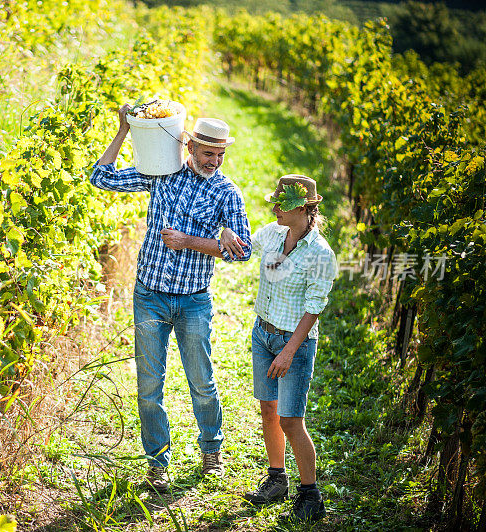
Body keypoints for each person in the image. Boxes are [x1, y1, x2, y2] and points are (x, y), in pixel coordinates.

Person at [89, 103, 252, 492]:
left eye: (220, 154)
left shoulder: (227, 193)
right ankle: (157, 463)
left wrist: (203, 242)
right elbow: (101, 177)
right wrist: (124, 130)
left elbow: (243, 252)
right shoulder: (162, 174)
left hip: (194, 301)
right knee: (149, 386)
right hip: (150, 296)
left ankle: (212, 450)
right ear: (191, 147)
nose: (214, 160)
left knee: (201, 380)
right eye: (208, 152)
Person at [241, 174, 336, 523]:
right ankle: (277, 478)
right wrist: (224, 235)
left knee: (291, 420)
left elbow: (314, 308)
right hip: (263, 334)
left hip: (292, 343)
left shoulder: (321, 254)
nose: (275, 208)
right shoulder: (273, 233)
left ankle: (311, 493)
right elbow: (242, 246)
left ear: (305, 208)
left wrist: (288, 351)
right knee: (268, 409)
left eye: (283, 203)